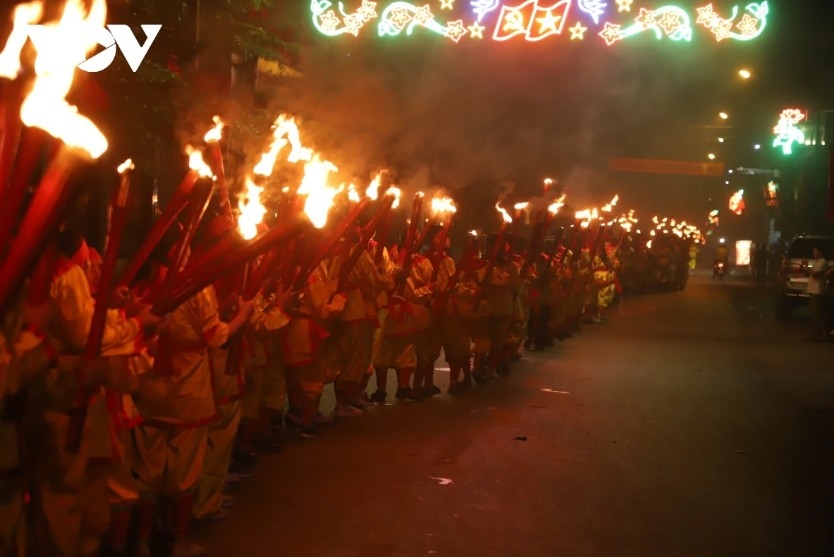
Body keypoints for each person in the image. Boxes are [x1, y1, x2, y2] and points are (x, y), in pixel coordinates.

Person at [802, 247, 828, 340]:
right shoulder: (817, 262)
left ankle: (816, 334)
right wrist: (803, 267)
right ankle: (815, 333)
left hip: (817, 291)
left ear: (820, 252)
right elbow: (809, 274)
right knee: (814, 313)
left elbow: (814, 274)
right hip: (813, 290)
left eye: (815, 251)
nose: (813, 253)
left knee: (816, 314)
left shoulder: (823, 262)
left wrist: (806, 266)